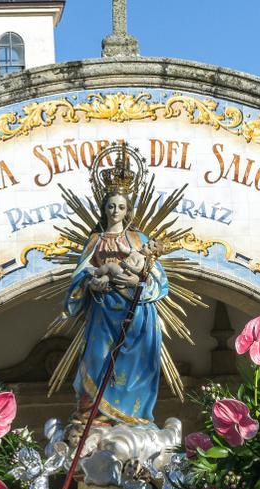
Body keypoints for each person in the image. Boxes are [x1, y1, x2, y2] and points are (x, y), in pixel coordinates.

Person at [62, 156, 169, 430]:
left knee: (133, 366)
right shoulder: (95, 241)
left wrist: (136, 283)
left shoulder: (138, 240)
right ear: (104, 208)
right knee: (97, 358)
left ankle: (132, 420)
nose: (115, 211)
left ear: (128, 210)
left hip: (135, 314)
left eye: (121, 206)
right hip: (102, 311)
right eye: (111, 206)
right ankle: (92, 417)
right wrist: (90, 283)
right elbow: (81, 274)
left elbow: (158, 279)